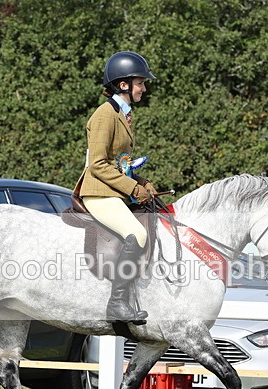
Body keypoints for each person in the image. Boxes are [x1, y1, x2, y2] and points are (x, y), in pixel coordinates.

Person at [74, 51, 157, 325]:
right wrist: (133, 189)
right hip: (98, 192)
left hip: (113, 189)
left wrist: (143, 183)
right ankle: (117, 304)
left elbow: (120, 163)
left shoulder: (122, 114)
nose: (144, 88)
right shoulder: (104, 115)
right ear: (123, 85)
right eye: (140, 83)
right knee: (137, 232)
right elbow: (98, 164)